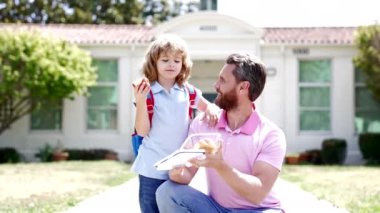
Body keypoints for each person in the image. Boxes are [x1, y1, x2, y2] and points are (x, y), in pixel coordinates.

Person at [156, 53, 287, 212]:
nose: (216, 85)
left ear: (243, 87)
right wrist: (177, 172)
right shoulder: (204, 123)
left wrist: (220, 165)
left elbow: (257, 194)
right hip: (217, 209)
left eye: (223, 80)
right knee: (167, 192)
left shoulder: (271, 135)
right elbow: (187, 174)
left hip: (259, 210)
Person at [131, 34, 219, 213]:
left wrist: (210, 109)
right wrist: (140, 100)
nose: (171, 64)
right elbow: (142, 130)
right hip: (151, 168)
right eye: (165, 60)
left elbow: (208, 107)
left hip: (177, 169)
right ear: (153, 63)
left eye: (176, 60)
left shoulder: (188, 91)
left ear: (183, 64)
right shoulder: (148, 92)